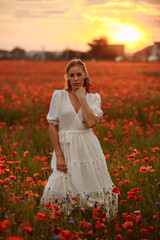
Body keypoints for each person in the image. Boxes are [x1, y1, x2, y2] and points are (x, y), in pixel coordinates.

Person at [40, 59, 118, 217]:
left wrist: (82, 97)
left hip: (87, 147)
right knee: (60, 178)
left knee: (89, 179)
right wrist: (59, 155)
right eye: (71, 75)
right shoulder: (59, 96)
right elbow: (52, 126)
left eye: (79, 75)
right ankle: (60, 217)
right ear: (67, 77)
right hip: (66, 146)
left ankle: (89, 215)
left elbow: (90, 122)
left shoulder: (93, 98)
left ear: (85, 76)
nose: (75, 78)